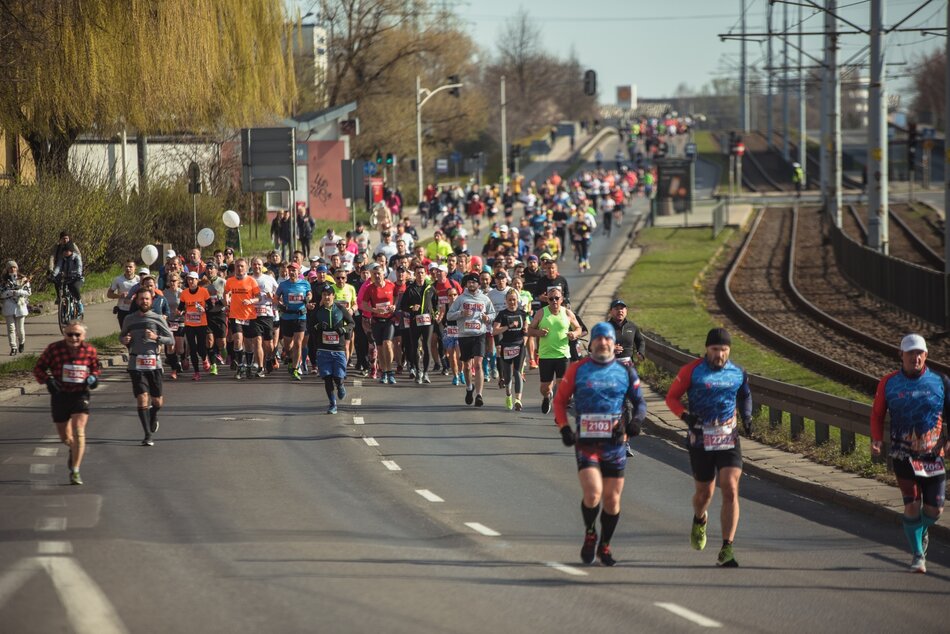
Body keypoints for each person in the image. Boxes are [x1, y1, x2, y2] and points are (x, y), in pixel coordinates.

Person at [554, 322, 646, 565]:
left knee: (612, 500)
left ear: (614, 344)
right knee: (593, 493)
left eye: (608, 339)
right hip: (587, 444)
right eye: (599, 339)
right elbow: (560, 401)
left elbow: (640, 403)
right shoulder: (578, 369)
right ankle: (590, 533)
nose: (603, 343)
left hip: (614, 444)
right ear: (592, 343)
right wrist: (564, 428)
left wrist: (635, 423)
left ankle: (605, 545)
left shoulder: (625, 371)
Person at [665, 328, 752, 568]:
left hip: (728, 437)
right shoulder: (692, 371)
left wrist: (747, 416)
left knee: (731, 489)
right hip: (701, 438)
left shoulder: (737, 373)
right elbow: (671, 398)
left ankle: (727, 548)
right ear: (706, 349)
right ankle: (700, 518)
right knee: (704, 494)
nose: (720, 354)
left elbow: (745, 395)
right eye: (715, 349)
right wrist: (685, 416)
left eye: (724, 350)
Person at [871, 334, 950, 574]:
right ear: (901, 355)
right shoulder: (888, 382)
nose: (915, 358)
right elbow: (877, 414)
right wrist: (876, 439)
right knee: (912, 504)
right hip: (902, 453)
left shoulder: (940, 381)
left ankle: (919, 529)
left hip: (932, 455)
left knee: (935, 510)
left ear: (926, 355)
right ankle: (918, 555)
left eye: (919, 353)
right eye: (910, 353)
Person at [32, 321, 101, 484]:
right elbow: (38, 368)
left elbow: (96, 368)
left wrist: (94, 377)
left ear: (83, 336)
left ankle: (75, 470)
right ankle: (73, 448)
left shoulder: (89, 350)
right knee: (66, 437)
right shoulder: (54, 349)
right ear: (65, 335)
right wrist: (48, 380)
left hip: (80, 395)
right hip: (60, 395)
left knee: (79, 430)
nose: (74, 338)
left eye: (77, 334)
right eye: (70, 334)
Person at [120, 288, 175, 447]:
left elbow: (170, 340)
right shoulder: (130, 319)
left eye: (147, 299)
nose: (144, 301)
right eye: (141, 299)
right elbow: (122, 335)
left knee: (157, 402)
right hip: (136, 363)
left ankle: (153, 414)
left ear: (151, 301)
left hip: (154, 364)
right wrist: (125, 339)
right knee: (142, 397)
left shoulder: (157, 318)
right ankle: (147, 435)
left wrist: (155, 337)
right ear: (137, 301)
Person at [527, 288, 583, 414]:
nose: (554, 301)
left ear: (561, 299)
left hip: (562, 355)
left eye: (557, 298)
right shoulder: (541, 313)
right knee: (545, 388)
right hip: (546, 355)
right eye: (551, 299)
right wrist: (539, 333)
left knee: (561, 383)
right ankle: (547, 396)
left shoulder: (567, 313)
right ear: (547, 300)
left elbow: (579, 328)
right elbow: (529, 330)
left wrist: (575, 333)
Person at [447, 273, 496, 406]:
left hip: (479, 335)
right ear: (466, 284)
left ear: (478, 284)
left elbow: (493, 313)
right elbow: (449, 315)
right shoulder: (461, 299)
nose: (471, 284)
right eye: (469, 282)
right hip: (464, 335)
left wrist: (488, 318)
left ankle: (479, 395)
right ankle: (469, 388)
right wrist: (461, 313)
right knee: (467, 366)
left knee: (478, 364)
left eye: (474, 282)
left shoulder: (484, 299)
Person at [311, 283, 354, 414]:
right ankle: (332, 403)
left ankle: (340, 385)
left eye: (329, 295)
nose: (327, 297)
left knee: (338, 377)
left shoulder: (340, 309)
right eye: (324, 295)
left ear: (333, 296)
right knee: (327, 377)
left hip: (338, 348)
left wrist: (343, 329)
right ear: (322, 297)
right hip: (323, 349)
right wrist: (318, 327)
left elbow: (352, 323)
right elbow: (310, 327)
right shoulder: (317, 311)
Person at [492, 288, 528, 410]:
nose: (512, 302)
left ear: (517, 300)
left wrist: (525, 338)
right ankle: (508, 394)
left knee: (517, 372)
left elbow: (526, 329)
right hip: (506, 345)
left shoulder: (522, 313)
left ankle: (518, 399)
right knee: (507, 376)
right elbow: (494, 330)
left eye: (514, 300)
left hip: (519, 344)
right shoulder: (502, 314)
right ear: (506, 301)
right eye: (510, 300)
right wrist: (508, 326)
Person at [224, 259, 260, 380]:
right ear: (235, 267)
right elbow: (225, 293)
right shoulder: (230, 281)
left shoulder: (251, 281)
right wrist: (226, 300)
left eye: (242, 266)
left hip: (249, 316)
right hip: (235, 316)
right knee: (238, 340)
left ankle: (249, 366)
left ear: (246, 267)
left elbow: (259, 297)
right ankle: (240, 365)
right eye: (238, 266)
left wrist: (250, 301)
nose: (240, 268)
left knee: (249, 344)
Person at [275, 263, 311, 380]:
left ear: (298, 271)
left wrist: (307, 298)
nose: (292, 272)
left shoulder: (305, 283)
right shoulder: (283, 285)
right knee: (287, 345)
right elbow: (275, 299)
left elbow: (309, 293)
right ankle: (290, 359)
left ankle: (296, 368)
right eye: (290, 270)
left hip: (300, 317)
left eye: (294, 270)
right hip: (287, 317)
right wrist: (281, 306)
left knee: (298, 343)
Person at [179, 272, 212, 381]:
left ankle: (204, 358)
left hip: (201, 323)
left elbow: (210, 306)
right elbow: (181, 307)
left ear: (197, 280)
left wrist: (204, 309)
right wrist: (180, 311)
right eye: (189, 279)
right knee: (192, 348)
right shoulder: (184, 293)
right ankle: (196, 372)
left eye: (193, 279)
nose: (191, 281)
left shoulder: (204, 291)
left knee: (201, 348)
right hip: (189, 324)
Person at [1, 260, 31, 355]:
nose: (12, 269)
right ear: (7, 269)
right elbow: (1, 294)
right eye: (10, 267)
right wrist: (10, 292)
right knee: (11, 328)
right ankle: (13, 347)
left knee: (20, 329)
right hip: (9, 305)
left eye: (14, 267)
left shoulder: (23, 279)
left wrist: (18, 292)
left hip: (20, 305)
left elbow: (28, 292)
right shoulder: (3, 280)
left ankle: (21, 342)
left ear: (16, 268)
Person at [51, 241, 83, 310]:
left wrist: (78, 274)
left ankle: (79, 303)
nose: (65, 252)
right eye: (64, 251)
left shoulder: (76, 258)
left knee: (74, 287)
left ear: (71, 251)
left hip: (76, 278)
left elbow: (79, 267)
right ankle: (65, 307)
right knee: (62, 288)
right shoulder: (62, 258)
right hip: (67, 277)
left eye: (67, 251)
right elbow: (58, 267)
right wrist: (53, 275)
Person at [107, 260, 139, 327]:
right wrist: (120, 296)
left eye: (130, 267)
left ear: (135, 268)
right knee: (124, 332)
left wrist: (135, 296)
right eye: (126, 267)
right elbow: (109, 294)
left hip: (136, 309)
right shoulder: (118, 279)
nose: (128, 269)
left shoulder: (139, 280)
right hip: (122, 310)